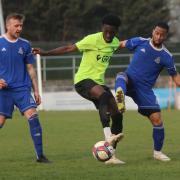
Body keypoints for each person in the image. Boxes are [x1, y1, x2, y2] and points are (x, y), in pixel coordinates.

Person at [33, 14, 125, 165]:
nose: (109, 34)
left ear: (116, 31)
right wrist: (45, 53)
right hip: (83, 81)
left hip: (98, 82)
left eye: (112, 32)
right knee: (102, 96)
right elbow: (69, 48)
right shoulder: (92, 39)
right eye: (106, 31)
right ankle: (108, 135)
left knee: (117, 114)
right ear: (102, 28)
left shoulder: (114, 43)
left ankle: (111, 155)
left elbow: (123, 44)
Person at [115, 22, 180, 161]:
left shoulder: (166, 56)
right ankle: (120, 97)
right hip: (129, 80)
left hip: (144, 90)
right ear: (153, 31)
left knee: (157, 121)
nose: (158, 36)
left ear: (165, 36)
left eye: (162, 35)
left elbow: (175, 76)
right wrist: (103, 49)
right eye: (157, 33)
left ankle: (157, 153)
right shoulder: (140, 41)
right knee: (121, 75)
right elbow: (119, 44)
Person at [0, 13, 50, 163]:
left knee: (33, 117)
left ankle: (40, 156)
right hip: (4, 91)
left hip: (22, 88)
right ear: (8, 25)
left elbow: (30, 69)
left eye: (21, 25)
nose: (19, 28)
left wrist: (36, 90)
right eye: (16, 25)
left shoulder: (25, 44)